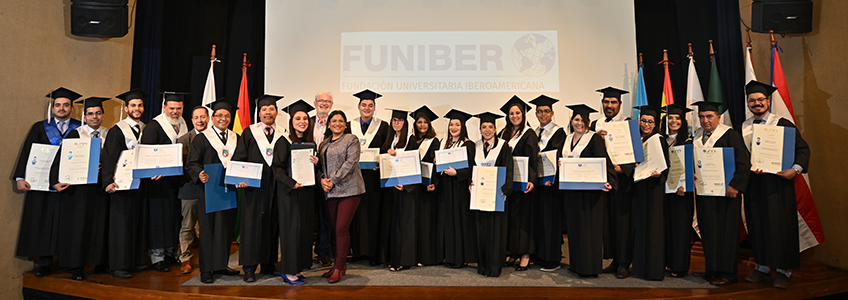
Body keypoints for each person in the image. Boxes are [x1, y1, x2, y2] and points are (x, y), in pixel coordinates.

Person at [740, 80, 810, 289]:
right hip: (754, 185)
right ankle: (761, 267)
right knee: (758, 225)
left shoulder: (783, 124)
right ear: (748, 103)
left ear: (768, 101)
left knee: (780, 227)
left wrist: (795, 169)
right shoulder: (743, 127)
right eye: (752, 100)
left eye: (760, 99)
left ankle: (783, 271)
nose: (756, 103)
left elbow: (803, 149)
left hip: (778, 185)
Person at [14, 87, 82, 277]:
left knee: (70, 223)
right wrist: (20, 177)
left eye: (66, 105)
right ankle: (44, 263)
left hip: (71, 184)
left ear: (72, 108)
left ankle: (71, 263)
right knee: (44, 222)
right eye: (58, 105)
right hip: (43, 184)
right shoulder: (39, 127)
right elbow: (27, 151)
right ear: (52, 108)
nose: (61, 108)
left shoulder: (81, 128)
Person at [48, 96, 110, 281]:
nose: (94, 117)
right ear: (84, 116)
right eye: (90, 114)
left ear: (103, 115)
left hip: (100, 189)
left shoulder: (110, 134)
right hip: (79, 191)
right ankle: (77, 267)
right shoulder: (76, 134)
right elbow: (61, 159)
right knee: (79, 227)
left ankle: (99, 263)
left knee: (99, 226)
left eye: (98, 113)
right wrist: (54, 181)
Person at [690, 101, 750, 285]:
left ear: (719, 117)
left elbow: (743, 162)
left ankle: (728, 273)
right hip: (705, 192)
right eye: (702, 117)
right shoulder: (697, 135)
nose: (705, 120)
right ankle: (712, 269)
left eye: (709, 116)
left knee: (726, 233)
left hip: (726, 194)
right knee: (708, 232)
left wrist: (735, 186)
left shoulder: (730, 135)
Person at [185, 99, 240, 284]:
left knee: (225, 227)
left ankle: (221, 265)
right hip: (208, 189)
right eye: (219, 115)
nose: (223, 119)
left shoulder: (235, 138)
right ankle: (206, 269)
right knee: (208, 229)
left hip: (229, 189)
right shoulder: (202, 138)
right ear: (212, 118)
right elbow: (191, 163)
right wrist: (198, 173)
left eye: (227, 115)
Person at [231, 94, 285, 282]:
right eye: (264, 109)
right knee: (251, 226)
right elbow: (239, 157)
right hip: (253, 187)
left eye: (271, 109)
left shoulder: (283, 133)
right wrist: (240, 178)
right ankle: (249, 268)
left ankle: (268, 264)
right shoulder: (249, 132)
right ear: (259, 113)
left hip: (276, 187)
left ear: (276, 112)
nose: (268, 112)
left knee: (272, 225)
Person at [560, 104, 615, 277]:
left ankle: (590, 268)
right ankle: (576, 264)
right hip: (572, 192)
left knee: (589, 229)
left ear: (588, 122)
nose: (580, 123)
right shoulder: (567, 139)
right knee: (575, 228)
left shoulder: (594, 138)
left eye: (583, 120)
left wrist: (610, 181)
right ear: (571, 120)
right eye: (576, 119)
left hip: (590, 193)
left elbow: (603, 160)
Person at [269, 99, 319, 285]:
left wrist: (316, 163)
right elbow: (277, 168)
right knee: (291, 231)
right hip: (289, 193)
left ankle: (297, 268)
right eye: (298, 118)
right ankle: (288, 270)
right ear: (291, 121)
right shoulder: (283, 141)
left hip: (306, 193)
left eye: (305, 118)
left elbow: (312, 170)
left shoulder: (309, 143)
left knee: (304, 231)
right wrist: (291, 183)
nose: (302, 122)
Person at [140, 92, 189, 273]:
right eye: (172, 108)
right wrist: (154, 170)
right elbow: (146, 153)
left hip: (177, 181)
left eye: (179, 108)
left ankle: (171, 251)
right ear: (164, 108)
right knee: (159, 218)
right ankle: (157, 257)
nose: (175, 112)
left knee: (174, 217)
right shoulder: (154, 126)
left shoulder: (183, 124)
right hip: (158, 182)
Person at [102, 88, 147, 279]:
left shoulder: (146, 128)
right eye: (133, 106)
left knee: (136, 223)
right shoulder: (117, 130)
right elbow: (109, 157)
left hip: (140, 184)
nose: (137, 109)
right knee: (120, 224)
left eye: (140, 105)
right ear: (126, 108)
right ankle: (117, 265)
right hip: (121, 185)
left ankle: (134, 261)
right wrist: (108, 182)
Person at [591, 86, 635, 278]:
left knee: (622, 222)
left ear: (619, 104)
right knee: (608, 223)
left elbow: (636, 153)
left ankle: (624, 263)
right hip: (602, 181)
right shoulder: (595, 124)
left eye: (613, 102)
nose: (609, 106)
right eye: (606, 102)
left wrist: (623, 169)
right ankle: (614, 260)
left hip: (622, 181)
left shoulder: (628, 123)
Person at [318, 110, 366, 283]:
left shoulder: (351, 140)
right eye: (334, 121)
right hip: (331, 191)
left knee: (341, 228)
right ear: (329, 124)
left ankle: (339, 266)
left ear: (345, 124)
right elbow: (321, 166)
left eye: (341, 121)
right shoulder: (323, 144)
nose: (337, 124)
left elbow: (350, 163)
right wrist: (323, 180)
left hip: (350, 189)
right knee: (334, 229)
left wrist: (333, 179)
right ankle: (339, 265)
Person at [345, 89, 390, 265]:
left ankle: (372, 252)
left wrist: (383, 162)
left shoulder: (384, 126)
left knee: (373, 213)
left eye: (370, 105)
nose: (367, 108)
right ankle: (357, 251)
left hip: (374, 178)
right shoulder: (349, 126)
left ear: (374, 107)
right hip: (354, 177)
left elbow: (387, 149)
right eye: (364, 105)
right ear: (358, 106)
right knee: (355, 213)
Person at [432, 109, 477, 269]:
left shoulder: (468, 144)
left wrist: (457, 172)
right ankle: (445, 255)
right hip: (445, 188)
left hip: (459, 188)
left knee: (458, 222)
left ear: (463, 126)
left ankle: (458, 257)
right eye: (451, 124)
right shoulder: (444, 143)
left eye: (457, 124)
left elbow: (472, 167)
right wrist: (437, 162)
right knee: (444, 221)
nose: (453, 127)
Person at [498, 96, 538, 271]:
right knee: (512, 219)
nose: (514, 116)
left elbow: (533, 159)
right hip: (509, 182)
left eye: (517, 113)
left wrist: (532, 179)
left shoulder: (529, 133)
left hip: (523, 183)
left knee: (523, 219)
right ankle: (514, 251)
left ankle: (525, 254)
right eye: (511, 113)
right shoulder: (504, 133)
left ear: (523, 115)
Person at [630, 105, 669, 281]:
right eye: (644, 121)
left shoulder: (658, 139)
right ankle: (639, 268)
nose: (646, 124)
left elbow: (666, 164)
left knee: (653, 228)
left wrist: (659, 174)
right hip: (639, 189)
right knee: (640, 227)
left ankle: (653, 270)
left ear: (655, 124)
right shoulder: (635, 139)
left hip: (654, 190)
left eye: (650, 122)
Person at [472, 112, 514, 277]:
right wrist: (470, 182)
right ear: (480, 129)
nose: (487, 130)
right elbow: (471, 168)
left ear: (495, 129)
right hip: (480, 195)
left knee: (496, 230)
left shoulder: (503, 146)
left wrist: (506, 189)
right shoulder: (475, 146)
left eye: (490, 127)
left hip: (497, 195)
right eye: (484, 127)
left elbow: (509, 168)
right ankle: (482, 266)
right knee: (481, 230)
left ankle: (495, 267)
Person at [529, 95, 567, 272]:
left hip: (551, 185)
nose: (543, 114)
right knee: (538, 219)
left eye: (546, 111)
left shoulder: (558, 132)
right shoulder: (534, 132)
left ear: (552, 113)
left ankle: (553, 258)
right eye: (539, 111)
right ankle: (540, 254)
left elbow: (557, 156)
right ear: (536, 114)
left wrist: (552, 178)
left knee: (551, 220)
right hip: (537, 183)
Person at [380, 108, 418, 272]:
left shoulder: (411, 139)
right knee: (393, 224)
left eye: (400, 120)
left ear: (405, 122)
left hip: (405, 189)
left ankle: (404, 260)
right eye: (394, 120)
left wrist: (406, 184)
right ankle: (393, 258)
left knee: (404, 225)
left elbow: (415, 163)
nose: (397, 123)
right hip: (391, 188)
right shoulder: (389, 140)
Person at [659, 103, 695, 278]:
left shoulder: (688, 141)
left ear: (683, 121)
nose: (673, 121)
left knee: (680, 229)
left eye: (677, 118)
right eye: (670, 118)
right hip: (663, 192)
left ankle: (680, 267)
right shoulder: (660, 140)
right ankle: (666, 262)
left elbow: (692, 168)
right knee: (666, 228)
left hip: (681, 192)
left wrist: (686, 187)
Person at [176, 106, 209, 274]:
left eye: (203, 117)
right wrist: (198, 175)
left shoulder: (214, 138)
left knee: (206, 226)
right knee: (187, 226)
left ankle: (207, 259)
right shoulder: (183, 140)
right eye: (196, 117)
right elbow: (180, 166)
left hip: (209, 188)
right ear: (192, 120)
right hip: (189, 188)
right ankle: (185, 259)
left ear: (208, 118)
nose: (200, 120)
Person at [409, 106, 441, 267]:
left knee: (427, 222)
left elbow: (436, 165)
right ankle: (414, 255)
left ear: (429, 124)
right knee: (415, 221)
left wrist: (433, 182)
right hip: (413, 187)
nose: (422, 125)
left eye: (425, 122)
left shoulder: (434, 141)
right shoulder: (411, 140)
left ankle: (427, 257)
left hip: (427, 187)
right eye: (419, 122)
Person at [312, 91, 334, 267]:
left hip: (327, 176)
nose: (324, 103)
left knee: (325, 216)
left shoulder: (336, 124)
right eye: (321, 100)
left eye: (327, 101)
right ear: (315, 103)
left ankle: (324, 251)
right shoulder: (305, 121)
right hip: (306, 175)